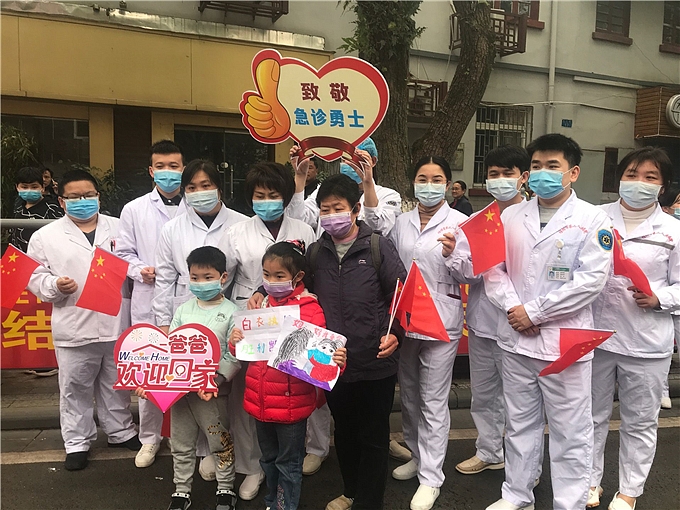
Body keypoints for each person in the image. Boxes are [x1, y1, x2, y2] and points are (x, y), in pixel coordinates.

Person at [482, 134, 613, 510]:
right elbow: (493, 269)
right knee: (519, 423)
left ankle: (569, 503)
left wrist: (535, 312)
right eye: (536, 166)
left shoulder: (592, 219)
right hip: (516, 338)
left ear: (573, 173)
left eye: (553, 166)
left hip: (564, 343)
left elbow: (591, 281)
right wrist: (515, 310)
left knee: (570, 430)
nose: (543, 173)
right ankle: (516, 494)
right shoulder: (510, 216)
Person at [27, 169, 140, 471]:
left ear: (98, 197)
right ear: (61, 201)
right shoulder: (45, 236)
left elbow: (134, 264)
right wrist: (54, 285)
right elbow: (35, 277)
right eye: (75, 197)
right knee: (74, 387)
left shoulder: (119, 228)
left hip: (117, 320)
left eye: (88, 195)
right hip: (74, 322)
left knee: (116, 383)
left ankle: (121, 431)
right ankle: (77, 442)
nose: (83, 201)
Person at [306, 174, 407, 510]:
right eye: (324, 209)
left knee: (374, 436)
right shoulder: (316, 252)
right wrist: (260, 292)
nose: (331, 215)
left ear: (355, 210)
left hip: (375, 360)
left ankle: (369, 501)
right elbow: (296, 288)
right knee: (345, 432)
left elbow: (401, 295)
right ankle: (351, 491)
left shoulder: (377, 247)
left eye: (338, 208)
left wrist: (396, 334)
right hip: (333, 363)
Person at [588, 147, 680, 510]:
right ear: (619, 179)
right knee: (589, 416)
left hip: (646, 341)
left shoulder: (673, 231)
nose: (638, 182)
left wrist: (660, 298)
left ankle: (629, 491)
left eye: (649, 177)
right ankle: (589, 482)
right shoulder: (594, 218)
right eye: (631, 174)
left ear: (663, 186)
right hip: (595, 337)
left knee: (639, 422)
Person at [217, 162, 316, 494]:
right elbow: (224, 281)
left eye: (273, 194)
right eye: (259, 195)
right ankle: (252, 466)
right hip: (252, 319)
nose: (266, 201)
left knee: (291, 389)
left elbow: (309, 273)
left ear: (286, 196)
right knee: (251, 395)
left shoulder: (303, 230)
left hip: (293, 319)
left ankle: (293, 458)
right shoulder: (237, 232)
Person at [151, 159, 248, 487]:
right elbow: (165, 278)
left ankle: (230, 468)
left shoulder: (240, 224)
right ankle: (195, 470)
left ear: (220, 186)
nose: (199, 192)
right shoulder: (172, 229)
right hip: (185, 315)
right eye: (191, 187)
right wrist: (164, 323)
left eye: (206, 185)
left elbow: (246, 275)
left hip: (226, 317)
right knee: (189, 406)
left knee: (221, 404)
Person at [229, 241, 346, 510]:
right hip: (259, 399)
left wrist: (338, 361)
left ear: (298, 276)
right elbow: (243, 350)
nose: (271, 281)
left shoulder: (309, 309)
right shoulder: (259, 306)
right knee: (268, 458)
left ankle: (285, 505)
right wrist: (235, 341)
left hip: (292, 403)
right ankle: (273, 501)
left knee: (289, 463)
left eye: (279, 275)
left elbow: (323, 357)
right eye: (266, 274)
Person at [387, 156, 469, 510]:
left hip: (441, 322)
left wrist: (454, 255)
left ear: (448, 184)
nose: (429, 185)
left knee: (433, 400)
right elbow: (391, 266)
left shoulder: (461, 223)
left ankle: (432, 478)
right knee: (409, 395)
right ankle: (417, 456)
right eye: (422, 178)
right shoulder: (400, 223)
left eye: (437, 179)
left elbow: (472, 274)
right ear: (413, 183)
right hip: (406, 321)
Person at [446, 146, 530, 477]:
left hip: (521, 323)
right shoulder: (476, 222)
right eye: (494, 174)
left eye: (508, 173)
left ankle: (525, 463)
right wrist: (453, 255)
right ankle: (489, 450)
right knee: (483, 394)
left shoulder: (537, 220)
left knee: (520, 398)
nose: (500, 180)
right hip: (483, 322)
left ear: (523, 178)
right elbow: (467, 274)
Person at [139, 246, 240, 510]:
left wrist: (217, 379)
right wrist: (152, 384)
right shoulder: (183, 311)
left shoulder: (232, 312)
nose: (200, 283)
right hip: (181, 393)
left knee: (220, 440)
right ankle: (181, 490)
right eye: (194, 277)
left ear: (223, 277)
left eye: (208, 277)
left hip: (212, 392)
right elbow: (168, 352)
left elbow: (234, 354)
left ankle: (226, 488)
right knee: (181, 443)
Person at [116, 139, 187, 468]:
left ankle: (186, 438)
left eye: (174, 166)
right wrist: (138, 269)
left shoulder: (195, 206)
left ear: (183, 169)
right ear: (150, 171)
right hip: (148, 294)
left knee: (187, 367)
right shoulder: (134, 209)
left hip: (188, 297)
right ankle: (150, 438)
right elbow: (122, 253)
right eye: (161, 167)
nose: (167, 172)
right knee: (150, 369)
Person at [287, 137, 402, 236]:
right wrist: (300, 177)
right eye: (344, 159)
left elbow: (379, 228)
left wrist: (367, 183)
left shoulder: (389, 196)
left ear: (373, 161)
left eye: (356, 158)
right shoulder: (326, 189)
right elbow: (298, 219)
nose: (349, 164)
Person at [658, 185, 680, 410]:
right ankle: (662, 391)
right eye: (678, 202)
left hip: (677, 304)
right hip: (659, 305)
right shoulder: (661, 230)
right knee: (661, 353)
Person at [11, 166, 64, 253]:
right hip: (19, 257)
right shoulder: (18, 208)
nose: (29, 190)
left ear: (42, 187)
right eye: (24, 187)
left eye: (34, 187)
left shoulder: (53, 208)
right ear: (17, 187)